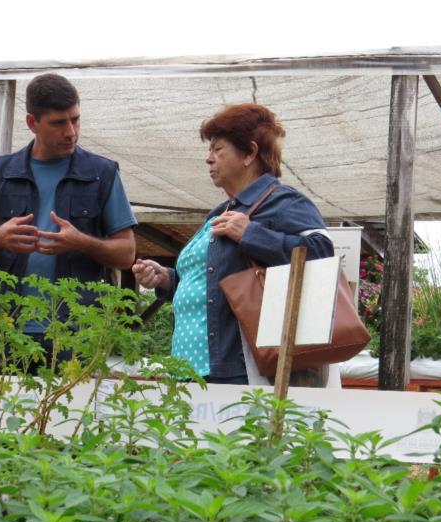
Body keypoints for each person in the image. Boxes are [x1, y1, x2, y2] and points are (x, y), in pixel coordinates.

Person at [133, 103, 335, 386]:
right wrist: (166, 278)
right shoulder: (219, 212)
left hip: (235, 370)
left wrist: (251, 234)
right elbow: (213, 277)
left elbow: (322, 253)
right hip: (189, 368)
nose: (208, 159)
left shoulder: (282, 201)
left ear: (250, 153)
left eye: (217, 149)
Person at [0, 73, 138, 368]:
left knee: (73, 414)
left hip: (77, 335)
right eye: (59, 123)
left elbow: (126, 253)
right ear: (32, 123)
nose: (71, 131)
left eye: (76, 120)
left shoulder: (102, 174)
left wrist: (81, 242)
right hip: (6, 329)